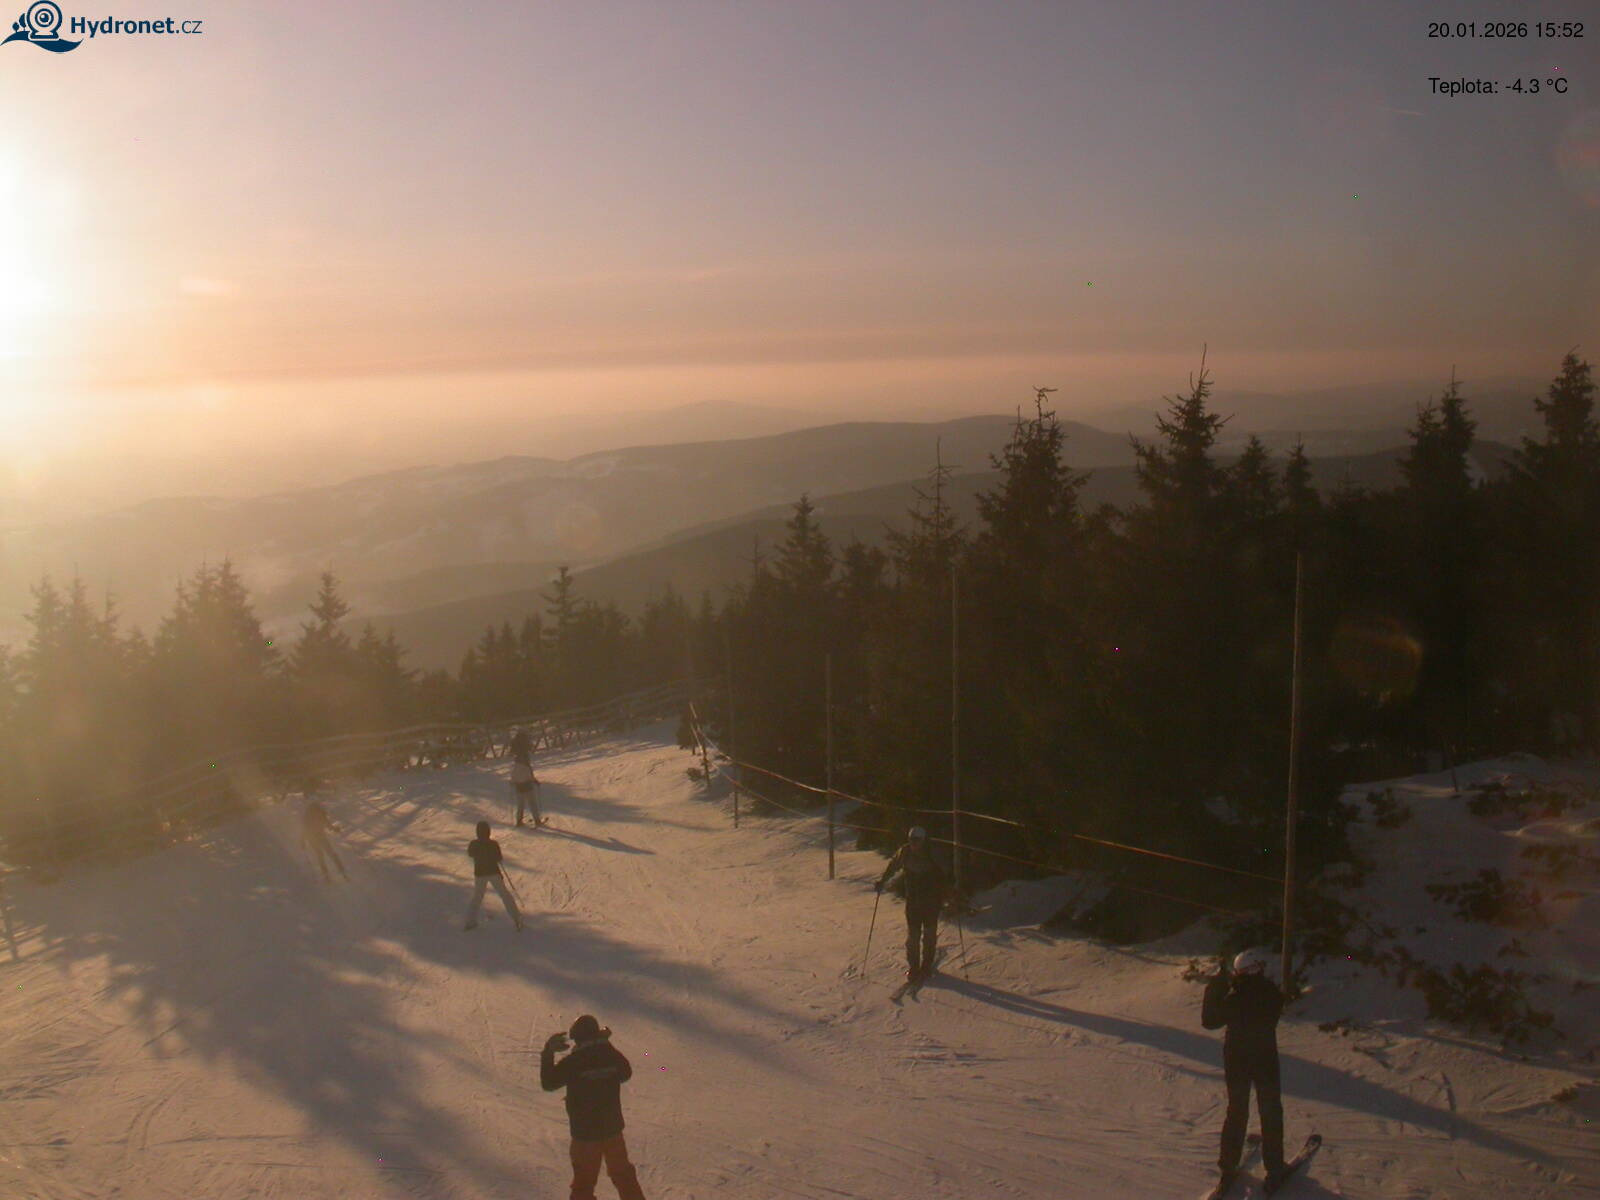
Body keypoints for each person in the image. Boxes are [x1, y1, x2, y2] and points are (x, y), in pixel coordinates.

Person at [1202, 948, 1288, 1192]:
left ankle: (1228, 1167)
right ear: (1258, 969)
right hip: (1265, 1059)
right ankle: (1274, 1167)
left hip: (1237, 1060)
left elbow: (1209, 1021)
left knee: (1237, 1111)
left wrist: (1217, 985)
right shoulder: (1272, 994)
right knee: (1270, 1110)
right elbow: (1268, 1007)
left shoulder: (1234, 998)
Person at [541, 1014, 646, 1200]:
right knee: (623, 1175)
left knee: (584, 1184)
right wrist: (605, 1045)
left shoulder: (574, 1061)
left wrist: (548, 1052)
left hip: (585, 1134)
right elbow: (625, 1073)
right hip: (612, 1130)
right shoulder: (609, 1055)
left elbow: (548, 1083)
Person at [875, 825, 948, 980]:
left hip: (931, 900)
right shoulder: (905, 852)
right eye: (911, 839)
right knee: (913, 936)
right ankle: (914, 967)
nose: (913, 843)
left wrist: (951, 886)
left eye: (917, 840)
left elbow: (945, 870)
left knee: (929, 934)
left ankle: (926, 965)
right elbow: (893, 866)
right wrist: (883, 881)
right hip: (913, 900)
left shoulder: (932, 852)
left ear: (923, 840)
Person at [464, 820, 523, 931]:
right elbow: (499, 858)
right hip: (493, 873)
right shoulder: (493, 844)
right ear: (488, 832)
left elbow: (470, 854)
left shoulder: (474, 844)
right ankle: (517, 919)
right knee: (504, 895)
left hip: (480, 874)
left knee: (477, 897)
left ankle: (470, 921)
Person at [301, 795, 348, 883]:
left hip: (315, 837)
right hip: (316, 836)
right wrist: (334, 829)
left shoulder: (311, 814)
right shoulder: (317, 812)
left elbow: (306, 827)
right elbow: (326, 823)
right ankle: (339, 872)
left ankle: (329, 874)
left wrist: (302, 840)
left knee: (322, 854)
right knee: (327, 853)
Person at [512, 757, 543, 827]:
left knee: (520, 805)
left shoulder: (514, 769)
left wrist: (513, 783)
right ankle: (537, 820)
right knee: (532, 804)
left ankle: (519, 821)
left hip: (519, 788)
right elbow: (530, 777)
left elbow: (513, 779)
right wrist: (536, 782)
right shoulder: (526, 767)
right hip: (528, 787)